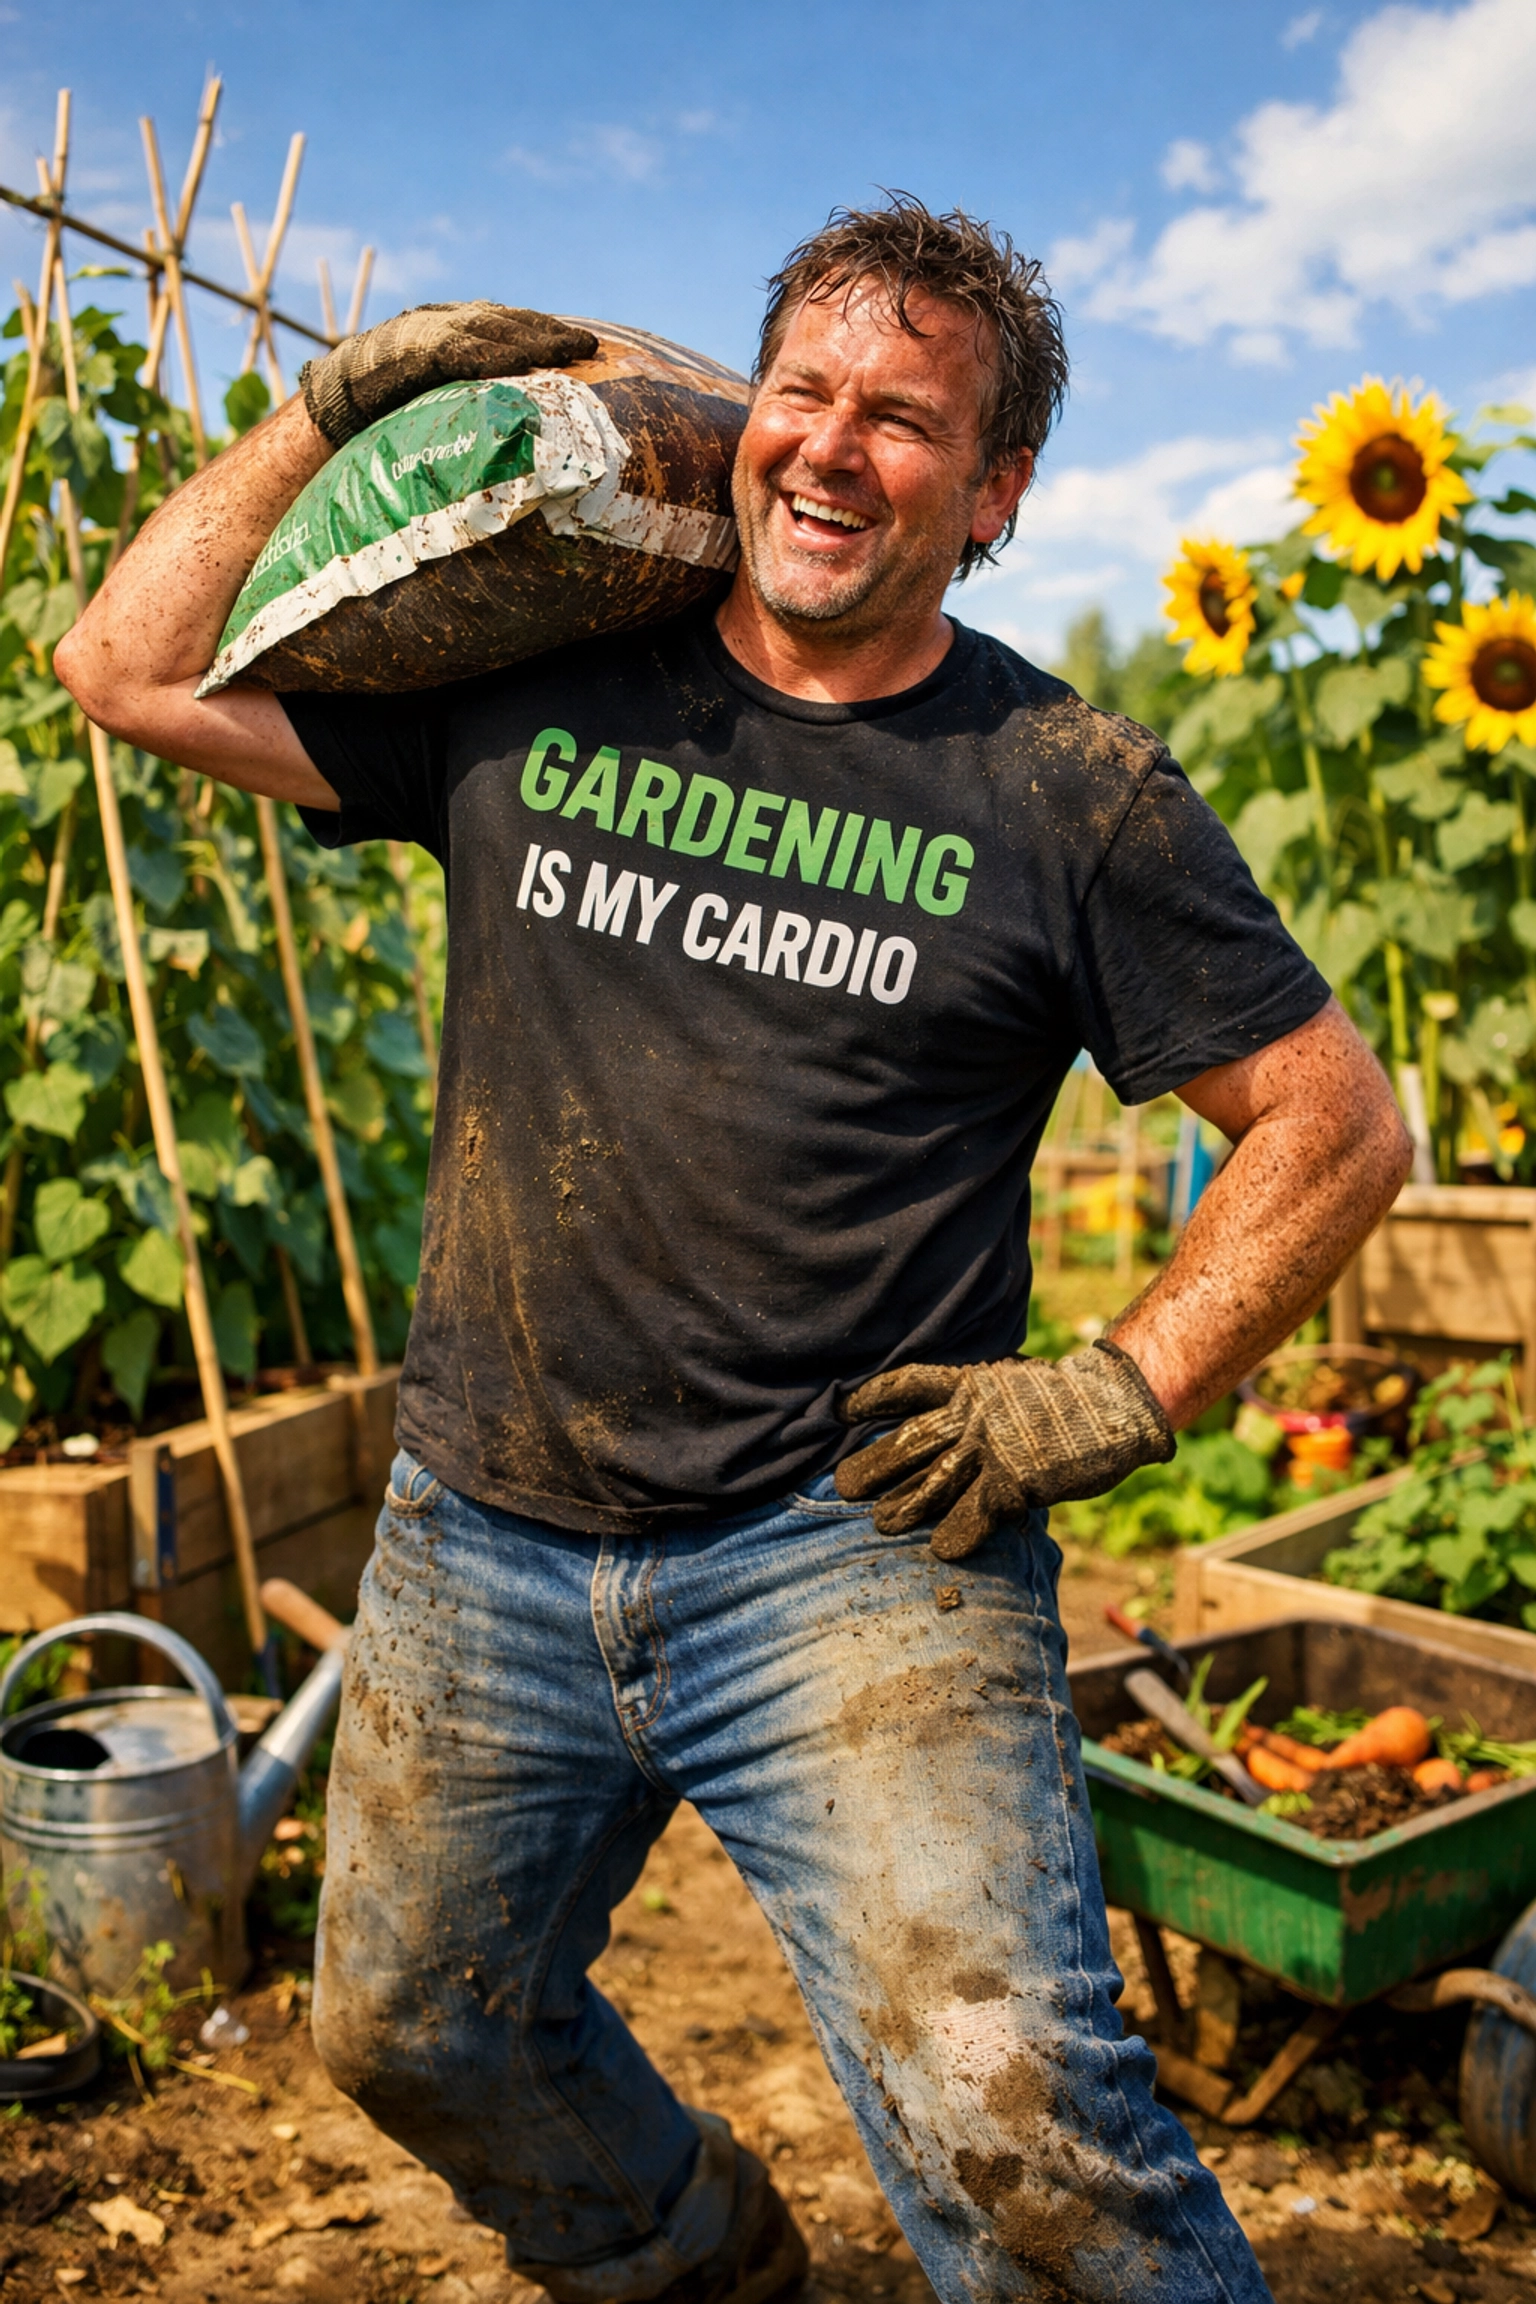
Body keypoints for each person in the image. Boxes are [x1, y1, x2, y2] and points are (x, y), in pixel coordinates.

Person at [58, 197, 1409, 2304]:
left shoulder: (1069, 793)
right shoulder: (534, 691)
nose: (832, 448)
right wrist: (328, 407)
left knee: (1013, 2120)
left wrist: (1125, 1385)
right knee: (412, 2032)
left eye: (903, 418)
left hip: (852, 1551)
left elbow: (1333, 1117)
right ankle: (697, 2261)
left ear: (995, 491)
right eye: (803, 392)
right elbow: (119, 668)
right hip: (478, 1527)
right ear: (739, 414)